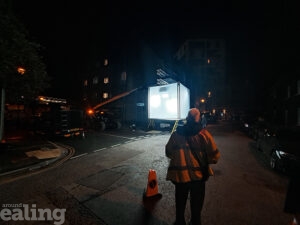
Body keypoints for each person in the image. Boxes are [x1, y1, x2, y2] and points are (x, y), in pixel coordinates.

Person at [165, 108, 220, 225]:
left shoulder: (176, 134)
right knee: (196, 206)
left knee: (180, 204)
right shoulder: (204, 135)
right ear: (198, 118)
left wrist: (179, 157)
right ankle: (195, 222)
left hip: (180, 177)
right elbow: (215, 156)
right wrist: (206, 160)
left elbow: (168, 152)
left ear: (187, 118)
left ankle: (180, 222)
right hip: (198, 178)